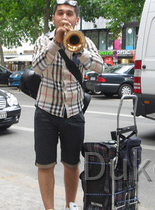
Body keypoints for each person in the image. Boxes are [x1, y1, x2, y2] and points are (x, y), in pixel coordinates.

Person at [32, 0, 103, 209]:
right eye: (60, 13)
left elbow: (100, 67)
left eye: (69, 14)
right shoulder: (43, 41)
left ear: (76, 19)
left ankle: (70, 206)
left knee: (72, 165)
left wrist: (80, 50)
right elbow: (37, 67)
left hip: (74, 112)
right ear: (53, 18)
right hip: (45, 111)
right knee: (45, 165)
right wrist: (55, 43)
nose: (64, 18)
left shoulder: (85, 41)